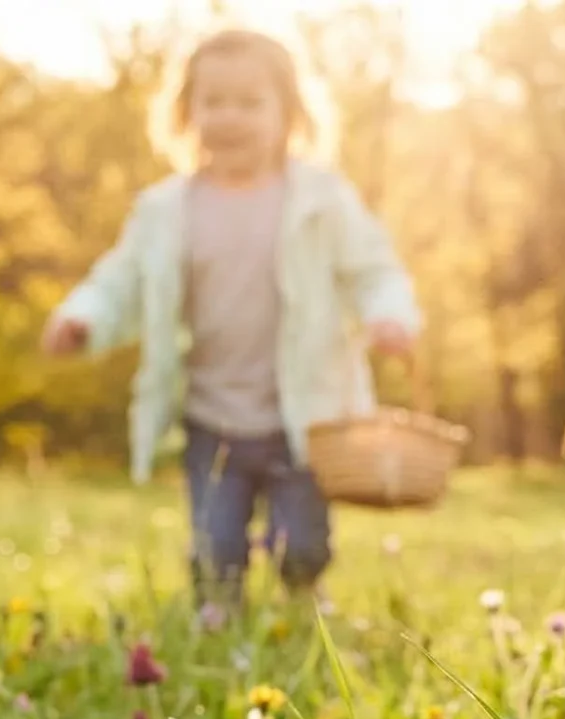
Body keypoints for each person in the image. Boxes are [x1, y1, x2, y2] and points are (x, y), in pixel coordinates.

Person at [42, 28, 421, 613]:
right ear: (186, 113)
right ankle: (218, 608)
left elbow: (375, 270)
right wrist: (83, 319)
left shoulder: (320, 200)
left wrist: (390, 316)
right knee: (216, 542)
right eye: (213, 102)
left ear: (288, 113)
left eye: (250, 103)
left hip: (303, 415)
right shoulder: (166, 210)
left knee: (305, 543)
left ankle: (302, 591)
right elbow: (120, 282)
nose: (230, 117)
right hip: (212, 414)